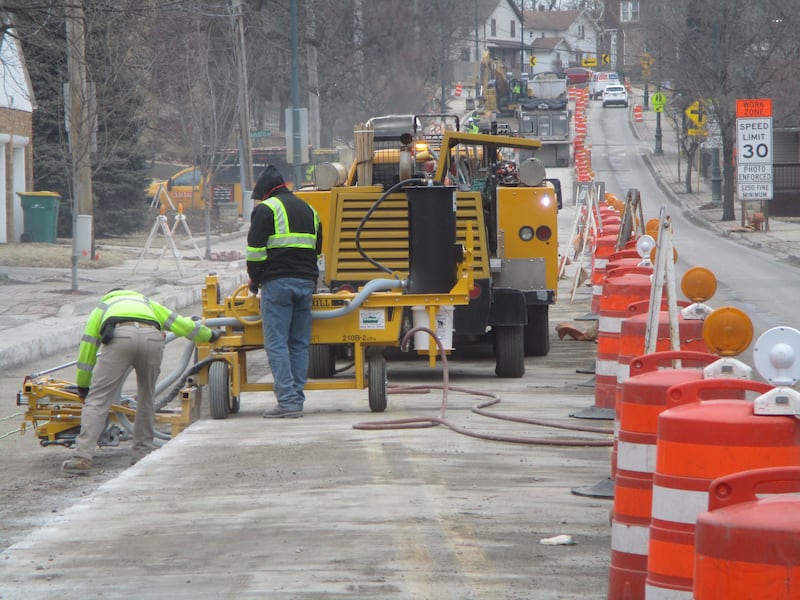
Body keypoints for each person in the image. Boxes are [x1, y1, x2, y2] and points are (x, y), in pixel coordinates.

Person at [61, 289, 221, 474]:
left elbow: (87, 349)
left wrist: (83, 385)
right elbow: (182, 325)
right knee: (146, 398)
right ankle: (142, 454)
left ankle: (82, 457)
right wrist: (209, 335)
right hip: (152, 338)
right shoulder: (147, 303)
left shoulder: (103, 307)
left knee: (98, 400)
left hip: (119, 338)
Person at [246, 165, 323, 419]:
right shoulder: (310, 210)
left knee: (277, 343)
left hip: (277, 284)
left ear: (265, 193)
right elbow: (316, 251)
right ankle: (296, 399)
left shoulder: (265, 210)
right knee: (299, 343)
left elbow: (255, 252)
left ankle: (288, 402)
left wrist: (255, 281)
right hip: (305, 284)